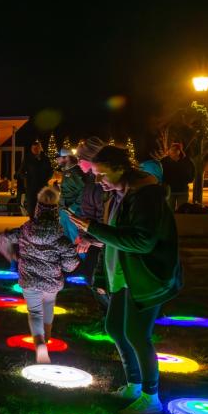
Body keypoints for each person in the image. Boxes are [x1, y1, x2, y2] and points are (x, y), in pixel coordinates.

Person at [68, 145, 182, 414]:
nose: (99, 181)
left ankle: (151, 397)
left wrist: (93, 228)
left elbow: (142, 241)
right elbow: (119, 234)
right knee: (115, 327)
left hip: (144, 275)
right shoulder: (118, 195)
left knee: (137, 335)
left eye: (102, 174)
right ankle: (134, 384)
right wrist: (92, 238)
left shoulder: (146, 196)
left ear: (120, 168)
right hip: (122, 273)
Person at [13, 186, 81, 364]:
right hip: (51, 280)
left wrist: (13, 254)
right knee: (48, 305)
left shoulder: (26, 229)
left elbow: (11, 240)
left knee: (35, 311)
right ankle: (47, 338)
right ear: (56, 211)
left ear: (38, 207)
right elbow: (70, 264)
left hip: (29, 278)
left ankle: (39, 343)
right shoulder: (60, 236)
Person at [74, 136, 112, 319]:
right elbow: (88, 212)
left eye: (80, 160)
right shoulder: (91, 182)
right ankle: (108, 316)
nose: (78, 163)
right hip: (96, 239)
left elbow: (101, 216)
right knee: (92, 276)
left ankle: (112, 317)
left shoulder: (101, 185)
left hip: (103, 242)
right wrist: (83, 235)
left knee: (98, 279)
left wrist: (89, 238)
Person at [19, 141, 52, 217]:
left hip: (43, 186)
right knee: (32, 207)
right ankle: (32, 223)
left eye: (37, 148)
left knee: (44, 206)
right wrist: (27, 178)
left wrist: (46, 179)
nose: (35, 150)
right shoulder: (27, 159)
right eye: (33, 148)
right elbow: (20, 172)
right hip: (31, 187)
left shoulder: (45, 159)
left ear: (40, 148)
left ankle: (42, 222)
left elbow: (50, 170)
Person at [159, 143, 194, 210]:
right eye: (172, 149)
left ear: (180, 151)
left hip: (182, 191)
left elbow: (192, 172)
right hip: (169, 191)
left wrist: (189, 180)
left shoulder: (186, 161)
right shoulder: (164, 161)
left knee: (182, 210)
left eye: (176, 149)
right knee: (169, 211)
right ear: (169, 150)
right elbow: (160, 173)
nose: (174, 151)